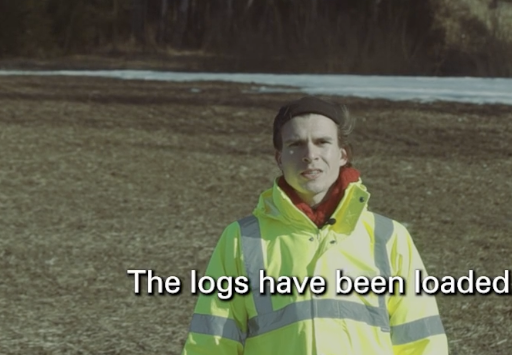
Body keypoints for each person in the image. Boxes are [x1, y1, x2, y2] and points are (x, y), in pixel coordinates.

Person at [182, 95, 448, 354]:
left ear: (343, 154)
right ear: (279, 158)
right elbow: (211, 345)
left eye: (322, 142)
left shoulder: (389, 237)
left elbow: (422, 343)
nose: (310, 155)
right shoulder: (241, 239)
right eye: (295, 144)